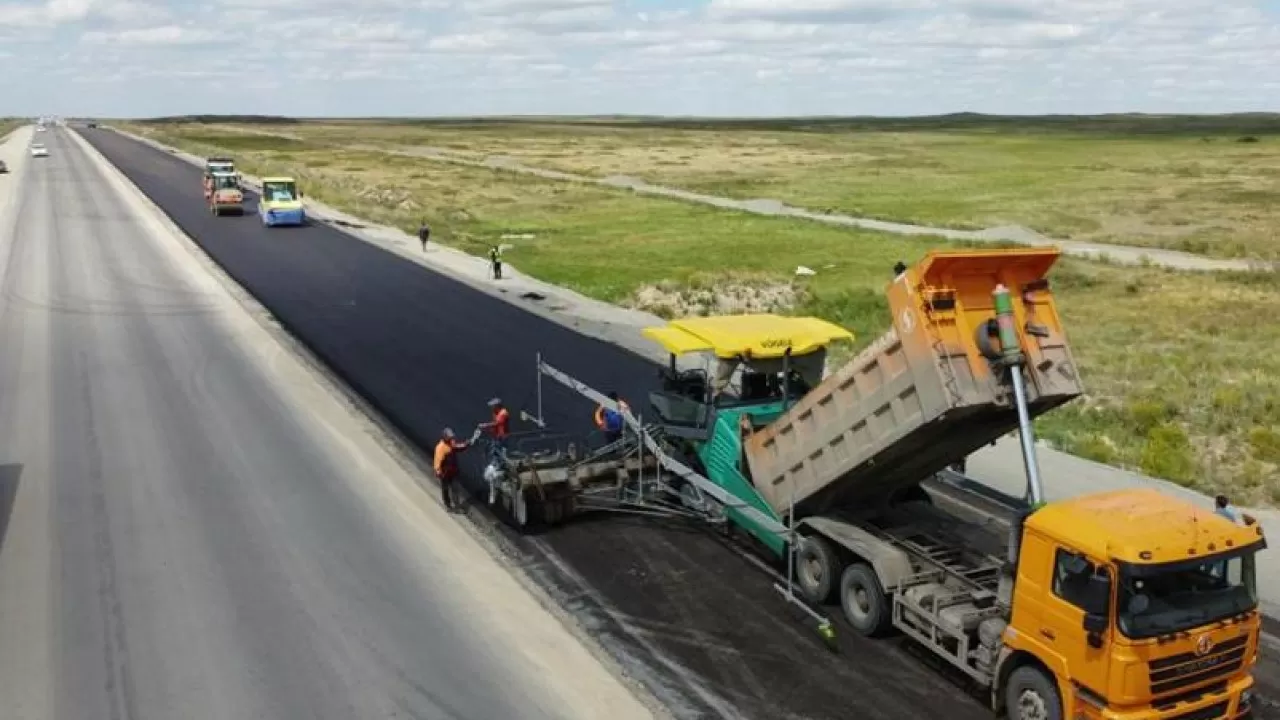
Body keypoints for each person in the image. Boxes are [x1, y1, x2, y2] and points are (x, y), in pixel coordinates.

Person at [433, 427, 471, 512]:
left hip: (453, 471)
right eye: (449, 437)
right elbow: (437, 461)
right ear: (445, 437)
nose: (451, 438)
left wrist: (466, 444)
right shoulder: (440, 447)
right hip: (445, 472)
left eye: (452, 437)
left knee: (455, 489)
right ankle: (448, 505)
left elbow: (457, 447)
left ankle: (457, 506)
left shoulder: (452, 442)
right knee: (445, 489)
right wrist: (438, 471)